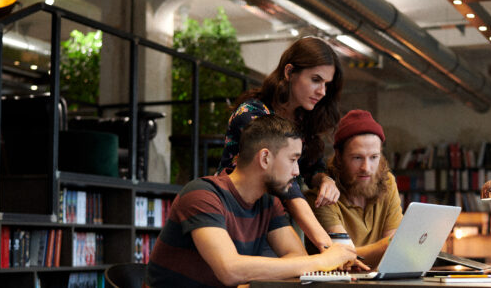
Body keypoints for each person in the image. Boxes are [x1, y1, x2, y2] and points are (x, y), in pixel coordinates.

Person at [147, 115, 357, 287]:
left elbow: (296, 257)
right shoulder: (202, 195)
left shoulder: (268, 202)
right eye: (293, 160)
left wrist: (248, 272)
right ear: (265, 158)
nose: (297, 172)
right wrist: (323, 260)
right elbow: (229, 270)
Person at [218, 37, 342, 251]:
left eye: (326, 84)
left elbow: (313, 167)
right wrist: (327, 245)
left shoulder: (304, 118)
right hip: (241, 214)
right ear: (289, 72)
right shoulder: (252, 113)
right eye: (315, 80)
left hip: (279, 219)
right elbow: (287, 184)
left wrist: (325, 180)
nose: (322, 91)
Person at [305, 110, 403, 267]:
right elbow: (345, 258)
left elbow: (396, 257)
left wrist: (397, 245)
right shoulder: (322, 196)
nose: (366, 168)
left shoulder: (387, 182)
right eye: (357, 158)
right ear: (339, 156)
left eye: (374, 157)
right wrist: (390, 244)